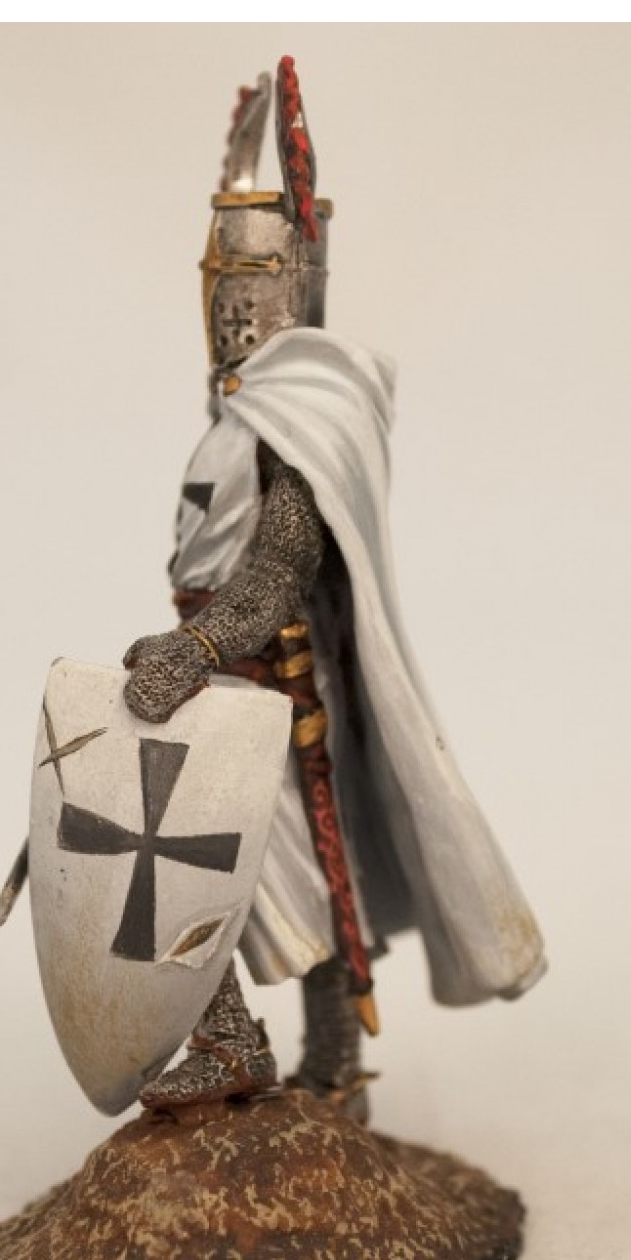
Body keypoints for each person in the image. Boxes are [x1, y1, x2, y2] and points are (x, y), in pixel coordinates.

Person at [123, 59, 545, 1120]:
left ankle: (284, 1055)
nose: (230, 314)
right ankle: (279, 1052)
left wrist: (195, 650)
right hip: (226, 683)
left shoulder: (298, 426)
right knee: (241, 867)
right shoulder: (237, 415)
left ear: (288, 292)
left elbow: (278, 568)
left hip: (260, 687)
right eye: (219, 291)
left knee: (240, 865)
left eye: (248, 292)